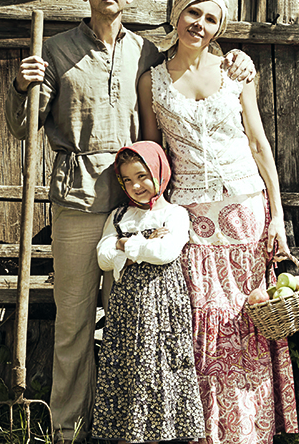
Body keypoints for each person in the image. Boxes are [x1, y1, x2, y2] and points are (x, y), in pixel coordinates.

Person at [5, 0, 256, 440]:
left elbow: (195, 57)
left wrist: (238, 61)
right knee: (74, 322)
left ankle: (127, 425)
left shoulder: (146, 51)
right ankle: (69, 428)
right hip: (79, 201)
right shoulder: (54, 50)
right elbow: (23, 127)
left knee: (135, 326)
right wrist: (21, 85)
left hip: (137, 208)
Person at [138, 0, 299, 443]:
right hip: (191, 213)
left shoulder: (237, 73)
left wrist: (277, 216)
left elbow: (257, 143)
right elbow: (154, 153)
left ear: (219, 28)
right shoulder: (152, 81)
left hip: (246, 205)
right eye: (193, 12)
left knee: (250, 317)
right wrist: (154, 214)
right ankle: (206, 428)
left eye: (211, 19)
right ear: (177, 15)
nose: (200, 24)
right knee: (203, 315)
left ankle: (251, 428)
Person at [93, 141, 204, 443]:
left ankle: (159, 436)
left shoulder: (175, 215)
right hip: (127, 307)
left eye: (142, 176)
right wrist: (138, 243)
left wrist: (126, 245)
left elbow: (166, 251)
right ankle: (131, 435)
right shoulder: (118, 216)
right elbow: (102, 257)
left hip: (162, 307)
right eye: (127, 180)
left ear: (158, 172)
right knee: (129, 366)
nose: (136, 186)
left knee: (159, 367)